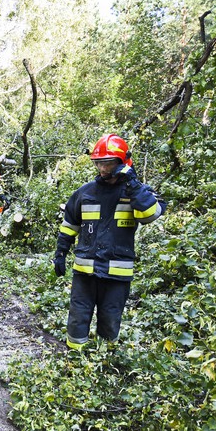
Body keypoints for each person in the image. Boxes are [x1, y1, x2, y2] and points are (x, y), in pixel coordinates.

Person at [54, 134, 166, 350]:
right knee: (78, 318)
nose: (103, 170)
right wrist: (61, 253)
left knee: (110, 320)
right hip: (85, 272)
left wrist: (133, 185)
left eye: (108, 163)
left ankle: (104, 363)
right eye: (99, 163)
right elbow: (69, 225)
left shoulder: (136, 193)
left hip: (117, 274)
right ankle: (75, 359)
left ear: (123, 162)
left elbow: (150, 215)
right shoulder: (84, 193)